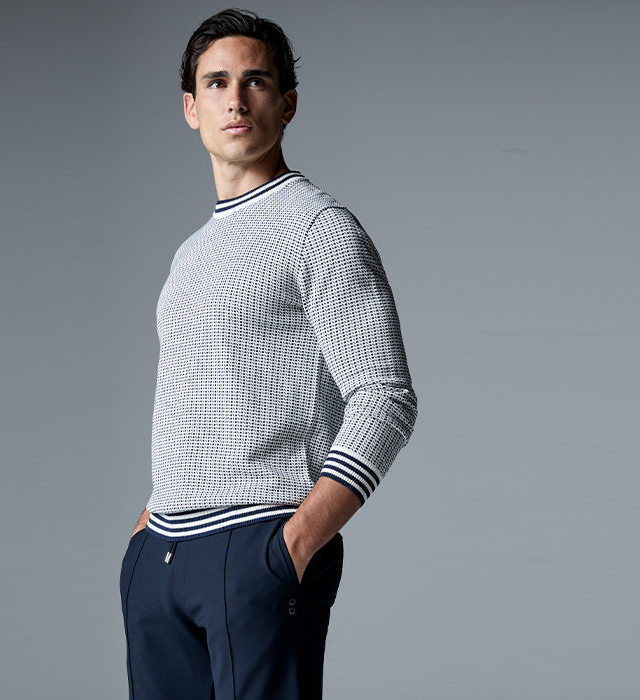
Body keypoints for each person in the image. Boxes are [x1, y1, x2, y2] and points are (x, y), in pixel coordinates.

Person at [119, 9, 418, 699]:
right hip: (160, 556)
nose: (235, 99)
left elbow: (385, 397)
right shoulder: (189, 255)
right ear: (191, 109)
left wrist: (296, 542)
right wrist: (145, 530)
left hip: (258, 543)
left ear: (286, 104)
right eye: (216, 82)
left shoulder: (319, 229)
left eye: (255, 81)